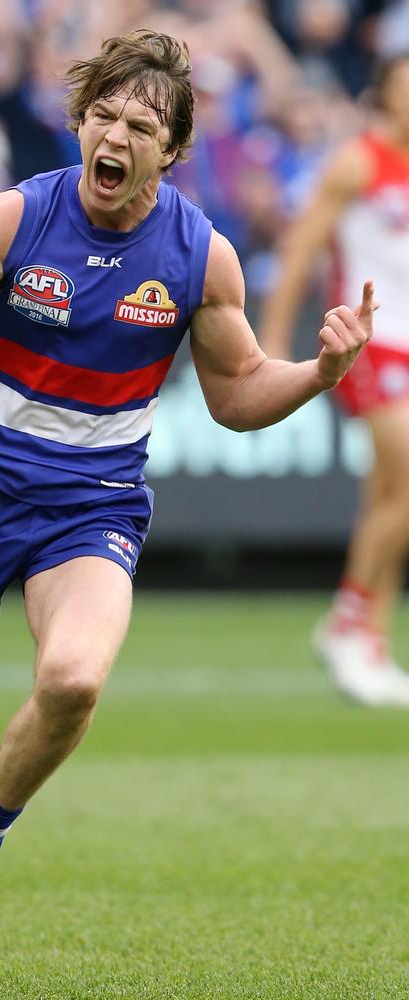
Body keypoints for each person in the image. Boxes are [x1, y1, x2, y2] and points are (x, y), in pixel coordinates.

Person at [0, 29, 374, 979]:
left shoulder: (199, 254)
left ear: (171, 150)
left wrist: (320, 372)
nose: (114, 134)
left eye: (139, 124)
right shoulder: (16, 218)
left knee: (73, 681)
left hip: (91, 499)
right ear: (79, 123)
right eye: (102, 114)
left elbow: (235, 400)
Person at [258, 52, 409, 707]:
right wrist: (271, 336)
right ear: (385, 96)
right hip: (370, 344)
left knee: (389, 497)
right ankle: (348, 622)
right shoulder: (357, 162)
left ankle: (372, 639)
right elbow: (299, 249)